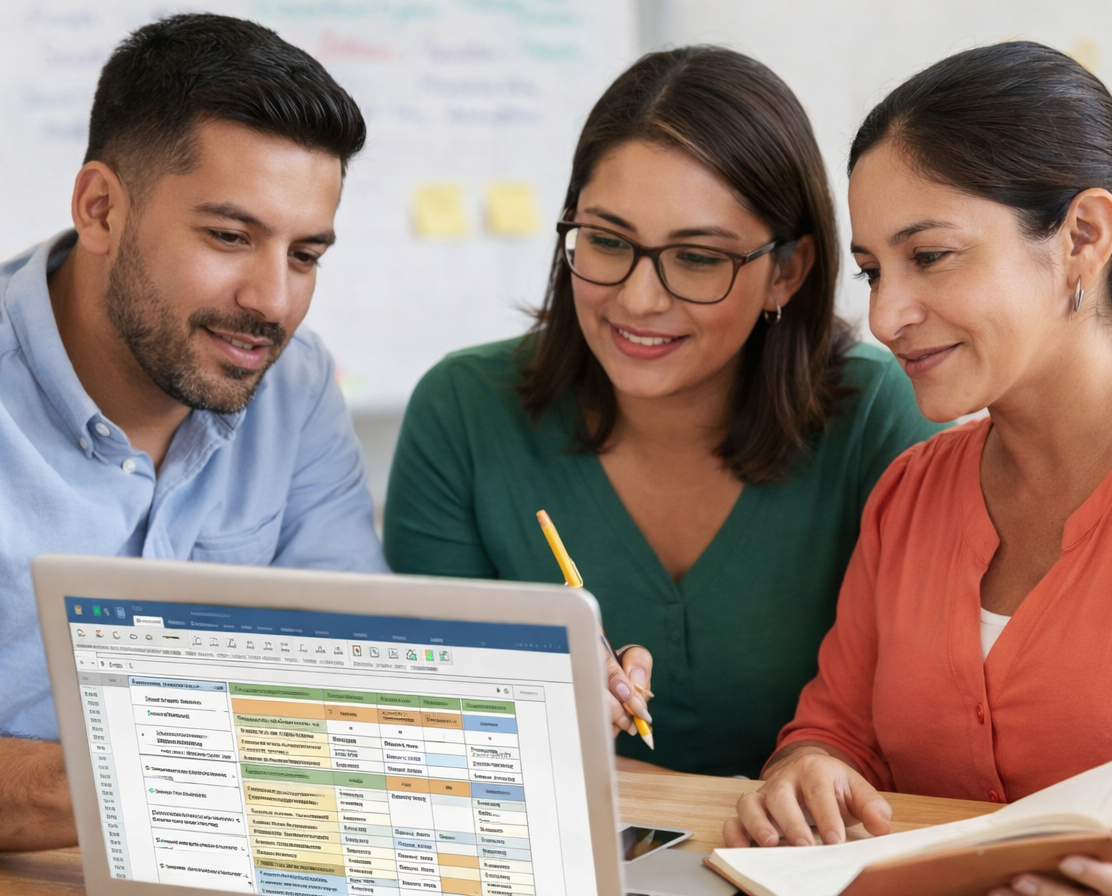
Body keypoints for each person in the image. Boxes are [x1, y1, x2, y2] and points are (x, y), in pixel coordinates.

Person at [724, 41, 1112, 896]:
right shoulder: (913, 492)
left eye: (930, 256)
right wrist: (805, 773)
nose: (887, 315)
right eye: (873, 270)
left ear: (1084, 235)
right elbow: (836, 732)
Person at [0, 15, 390, 853]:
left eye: (305, 256)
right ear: (101, 208)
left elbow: (348, 674)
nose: (273, 301)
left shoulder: (291, 388)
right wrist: (138, 787)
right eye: (230, 237)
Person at [383, 47, 939, 777]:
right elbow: (434, 732)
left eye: (699, 258)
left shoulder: (879, 414)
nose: (640, 299)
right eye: (608, 242)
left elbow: (919, 731)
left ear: (786, 272)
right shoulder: (461, 410)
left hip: (810, 865)